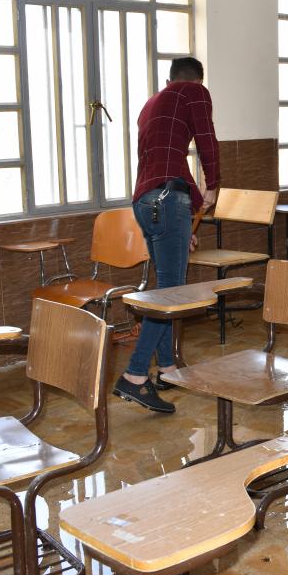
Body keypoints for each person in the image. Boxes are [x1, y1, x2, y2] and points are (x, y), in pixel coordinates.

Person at [113, 56, 220, 413]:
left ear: (168, 79)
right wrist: (213, 185)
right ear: (196, 80)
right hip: (167, 200)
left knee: (164, 289)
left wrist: (185, 212)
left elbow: (168, 162)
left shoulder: (151, 104)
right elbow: (206, 141)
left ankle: (168, 369)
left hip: (145, 202)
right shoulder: (195, 92)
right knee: (172, 295)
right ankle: (135, 375)